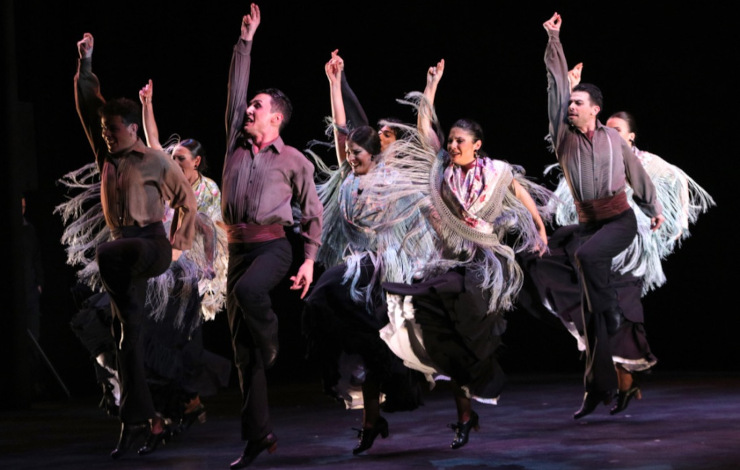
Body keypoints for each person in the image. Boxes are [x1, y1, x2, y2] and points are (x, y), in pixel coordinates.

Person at [372, 59, 551, 449]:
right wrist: (431, 85)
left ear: (477, 146)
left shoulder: (496, 173)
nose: (452, 145)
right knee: (445, 328)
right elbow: (424, 130)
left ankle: (476, 381)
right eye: (450, 139)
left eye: (459, 141)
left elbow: (521, 193)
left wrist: (538, 227)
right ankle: (465, 413)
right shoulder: (442, 167)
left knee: (467, 321)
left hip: (482, 261)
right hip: (447, 260)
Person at [301, 53, 434, 455]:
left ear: (373, 154)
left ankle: (372, 421)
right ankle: (371, 418)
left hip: (380, 269)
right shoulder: (349, 177)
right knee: (348, 331)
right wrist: (334, 83)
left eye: (358, 154)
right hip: (356, 268)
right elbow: (341, 132)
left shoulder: (390, 178)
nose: (350, 157)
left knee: (375, 340)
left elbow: (423, 208)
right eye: (348, 154)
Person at [74, 31, 197, 459]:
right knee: (126, 340)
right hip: (123, 251)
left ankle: (142, 421)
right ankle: (140, 424)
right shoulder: (106, 156)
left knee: (108, 254)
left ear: (131, 129)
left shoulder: (157, 161)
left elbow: (189, 202)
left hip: (151, 246)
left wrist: (179, 245)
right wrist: (86, 63)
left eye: (112, 130)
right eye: (103, 130)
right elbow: (90, 105)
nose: (106, 135)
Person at [541, 12, 664, 419]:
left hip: (621, 220)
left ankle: (609, 307)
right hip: (588, 223)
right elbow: (556, 84)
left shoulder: (614, 138)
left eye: (578, 103)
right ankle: (597, 388)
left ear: (595, 109)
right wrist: (554, 39)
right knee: (593, 316)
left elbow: (637, 174)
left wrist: (654, 209)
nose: (570, 106)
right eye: (570, 103)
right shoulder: (563, 137)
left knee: (587, 260)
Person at [221, 5, 322, 468]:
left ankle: (273, 337)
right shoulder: (233, 144)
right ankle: (258, 435)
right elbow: (234, 90)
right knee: (244, 356)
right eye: (250, 105)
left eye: (257, 107)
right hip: (237, 248)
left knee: (248, 294)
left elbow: (313, 212)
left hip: (274, 247)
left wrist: (307, 260)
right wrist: (245, 42)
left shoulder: (294, 159)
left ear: (275, 119)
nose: (248, 109)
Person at [138, 80, 231, 435]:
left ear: (196, 162)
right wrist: (148, 105)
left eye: (180, 159)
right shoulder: (168, 182)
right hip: (164, 265)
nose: (173, 162)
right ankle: (176, 405)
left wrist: (210, 271)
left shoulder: (206, 189)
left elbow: (212, 230)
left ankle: (188, 400)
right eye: (172, 158)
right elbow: (154, 145)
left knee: (185, 339)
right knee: (161, 336)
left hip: (189, 271)